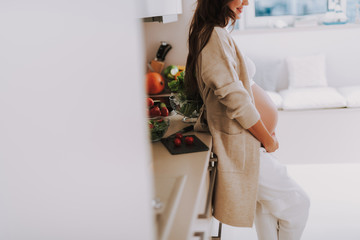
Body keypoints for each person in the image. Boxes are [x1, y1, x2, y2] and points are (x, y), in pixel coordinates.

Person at [184, 0, 310, 239]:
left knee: (267, 211)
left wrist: (263, 133)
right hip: (242, 145)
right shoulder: (213, 35)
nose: (247, 2)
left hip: (248, 141)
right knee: (297, 204)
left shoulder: (212, 33)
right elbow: (234, 97)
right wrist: (266, 138)